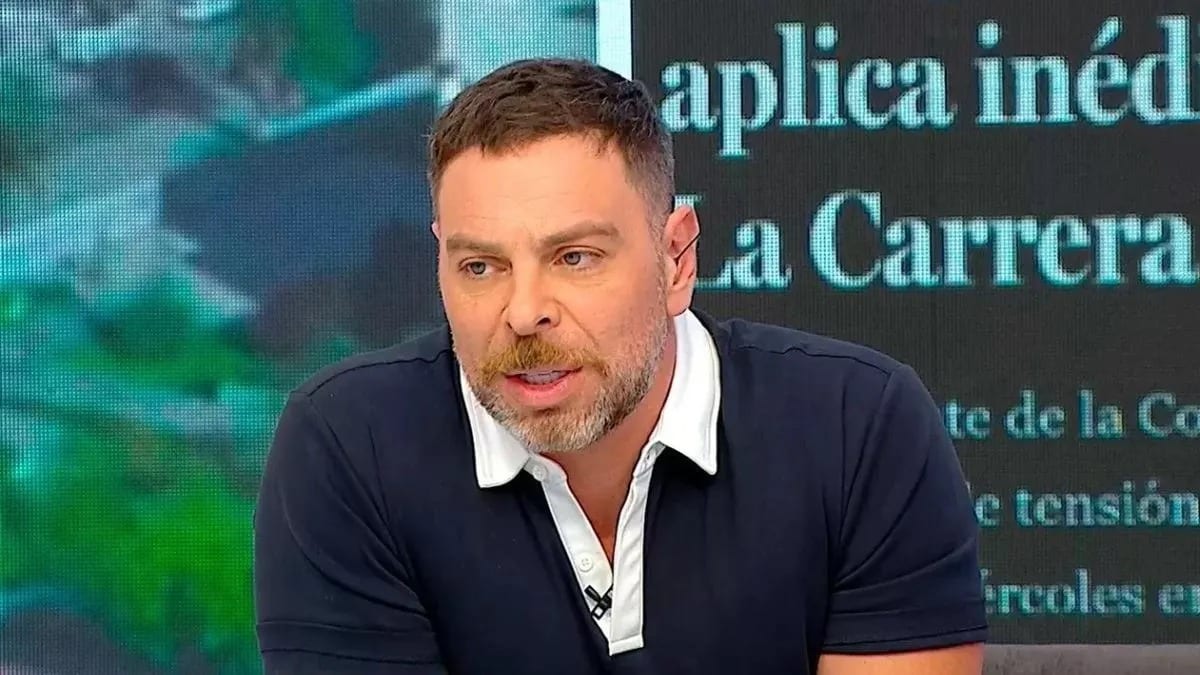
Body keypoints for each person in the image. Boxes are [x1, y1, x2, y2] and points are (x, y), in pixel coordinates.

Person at [253, 58, 988, 674]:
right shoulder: (348, 446)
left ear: (676, 260)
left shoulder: (860, 428)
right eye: (481, 266)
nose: (523, 312)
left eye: (574, 257)